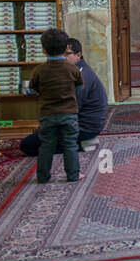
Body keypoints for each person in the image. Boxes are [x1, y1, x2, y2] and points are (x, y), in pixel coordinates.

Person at [18, 38, 106, 156]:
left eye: (66, 54)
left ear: (78, 55)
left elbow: (70, 110)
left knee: (28, 145)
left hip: (84, 128)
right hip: (80, 124)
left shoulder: (80, 76)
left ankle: (81, 144)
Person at [28, 28, 83, 183]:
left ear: (44, 50)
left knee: (46, 146)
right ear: (66, 48)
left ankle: (43, 177)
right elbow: (80, 88)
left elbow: (33, 89)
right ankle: (73, 175)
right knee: (70, 145)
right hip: (69, 114)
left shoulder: (39, 70)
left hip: (47, 114)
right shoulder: (72, 69)